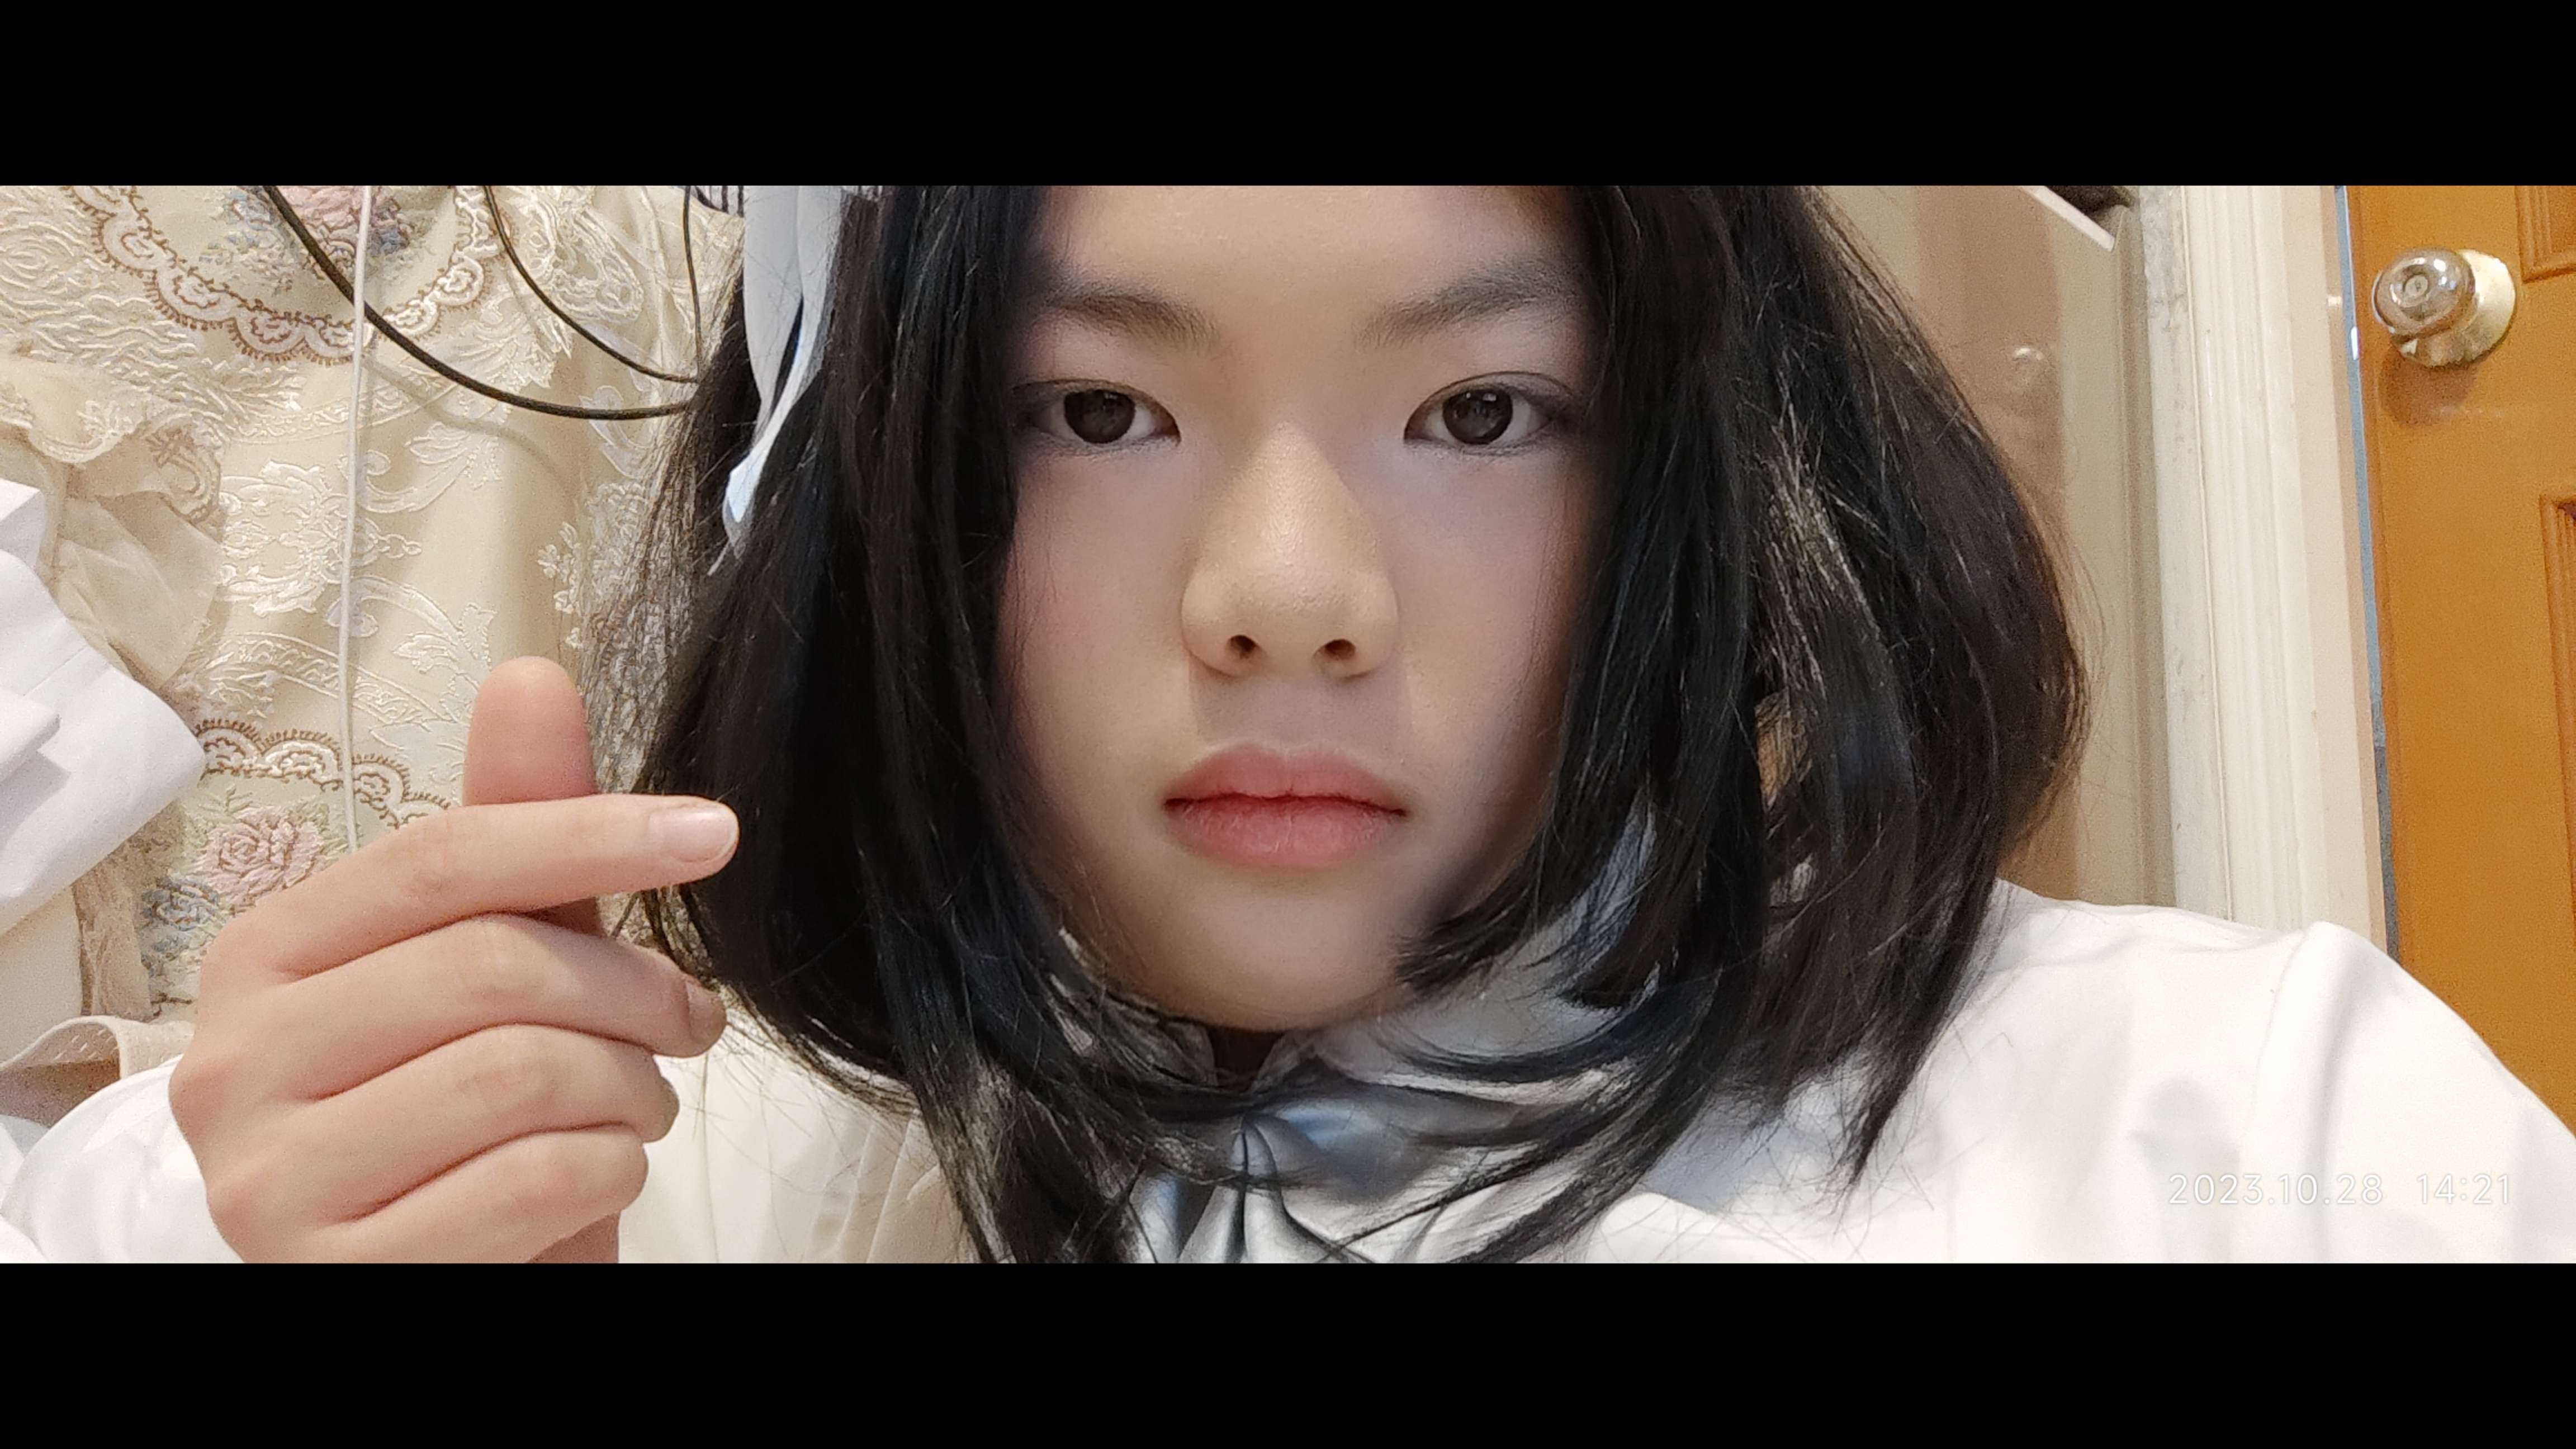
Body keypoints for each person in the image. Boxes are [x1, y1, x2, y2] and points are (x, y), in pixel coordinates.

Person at [6, 186, 2572, 1262]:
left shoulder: (2245, 1136)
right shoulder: (606, 1179)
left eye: (1480, 414)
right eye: (1097, 413)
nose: (1286, 601)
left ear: (1699, 476)